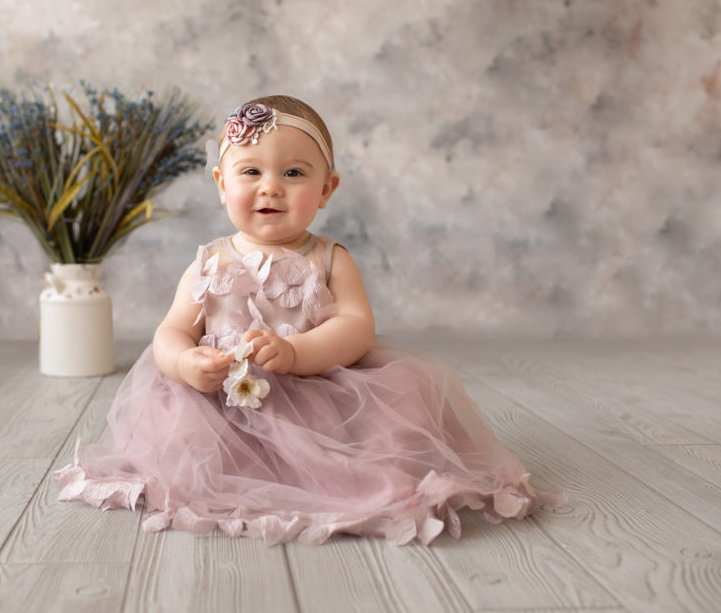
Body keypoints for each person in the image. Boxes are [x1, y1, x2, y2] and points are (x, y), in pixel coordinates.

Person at [55, 95, 556, 546]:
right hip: (224, 403)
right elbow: (171, 331)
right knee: (180, 437)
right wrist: (186, 362)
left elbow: (358, 327)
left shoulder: (331, 258)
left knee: (396, 411)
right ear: (221, 184)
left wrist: (298, 354)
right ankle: (232, 472)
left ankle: (347, 478)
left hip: (319, 392)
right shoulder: (209, 261)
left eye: (293, 174)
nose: (270, 187)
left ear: (326, 188)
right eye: (250, 172)